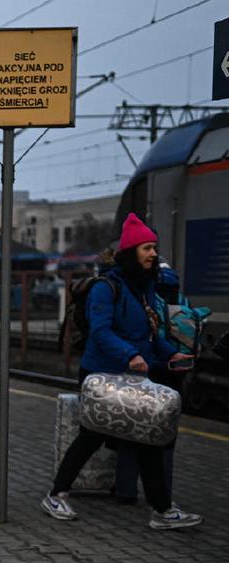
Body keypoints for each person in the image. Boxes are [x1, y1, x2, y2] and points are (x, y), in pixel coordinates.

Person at [41, 214, 201, 530]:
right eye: (147, 248)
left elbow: (149, 335)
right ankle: (57, 494)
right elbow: (100, 332)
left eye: (154, 248)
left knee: (147, 439)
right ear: (130, 253)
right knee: (92, 436)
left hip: (131, 376)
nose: (154, 254)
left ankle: (162, 509)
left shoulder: (142, 289)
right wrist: (130, 356)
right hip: (103, 375)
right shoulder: (106, 288)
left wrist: (172, 355)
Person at [113, 261, 190, 505]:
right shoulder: (183, 303)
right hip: (173, 373)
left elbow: (145, 338)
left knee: (132, 433)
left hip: (146, 372)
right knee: (165, 438)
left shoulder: (145, 300)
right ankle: (163, 494)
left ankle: (126, 490)